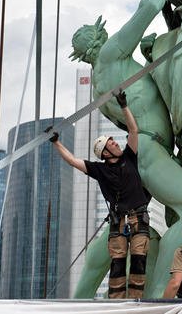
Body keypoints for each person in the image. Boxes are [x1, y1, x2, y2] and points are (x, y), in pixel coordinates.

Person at [67, 0, 182, 298]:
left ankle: (80, 298)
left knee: (121, 227)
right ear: (98, 39)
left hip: (144, 151)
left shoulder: (99, 81)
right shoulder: (111, 54)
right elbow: (145, 11)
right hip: (149, 146)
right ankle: (157, 295)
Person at [49, 91, 150, 299]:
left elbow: (133, 130)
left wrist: (124, 106)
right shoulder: (99, 170)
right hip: (119, 222)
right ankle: (116, 304)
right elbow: (72, 161)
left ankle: (136, 302)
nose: (116, 143)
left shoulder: (129, 158)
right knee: (118, 264)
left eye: (114, 141)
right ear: (105, 153)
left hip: (138, 218)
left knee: (139, 262)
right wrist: (56, 143)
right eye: (111, 143)